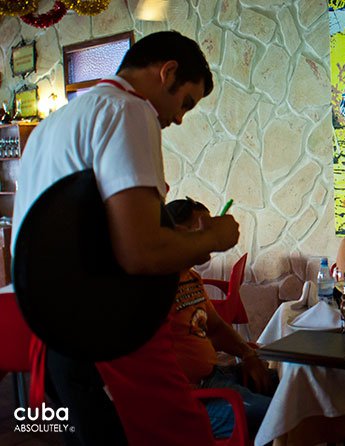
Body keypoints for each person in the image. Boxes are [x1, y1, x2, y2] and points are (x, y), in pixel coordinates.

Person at [12, 31, 237, 446]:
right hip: (111, 328)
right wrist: (215, 238)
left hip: (57, 334)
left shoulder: (53, 125)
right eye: (185, 102)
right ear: (166, 72)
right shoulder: (129, 109)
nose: (180, 117)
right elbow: (141, 251)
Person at [165, 198, 275, 439]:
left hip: (216, 378)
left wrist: (248, 354)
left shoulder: (191, 278)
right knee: (277, 418)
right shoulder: (159, 287)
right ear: (178, 233)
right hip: (193, 399)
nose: (210, 232)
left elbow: (214, 327)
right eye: (201, 225)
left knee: (290, 392)